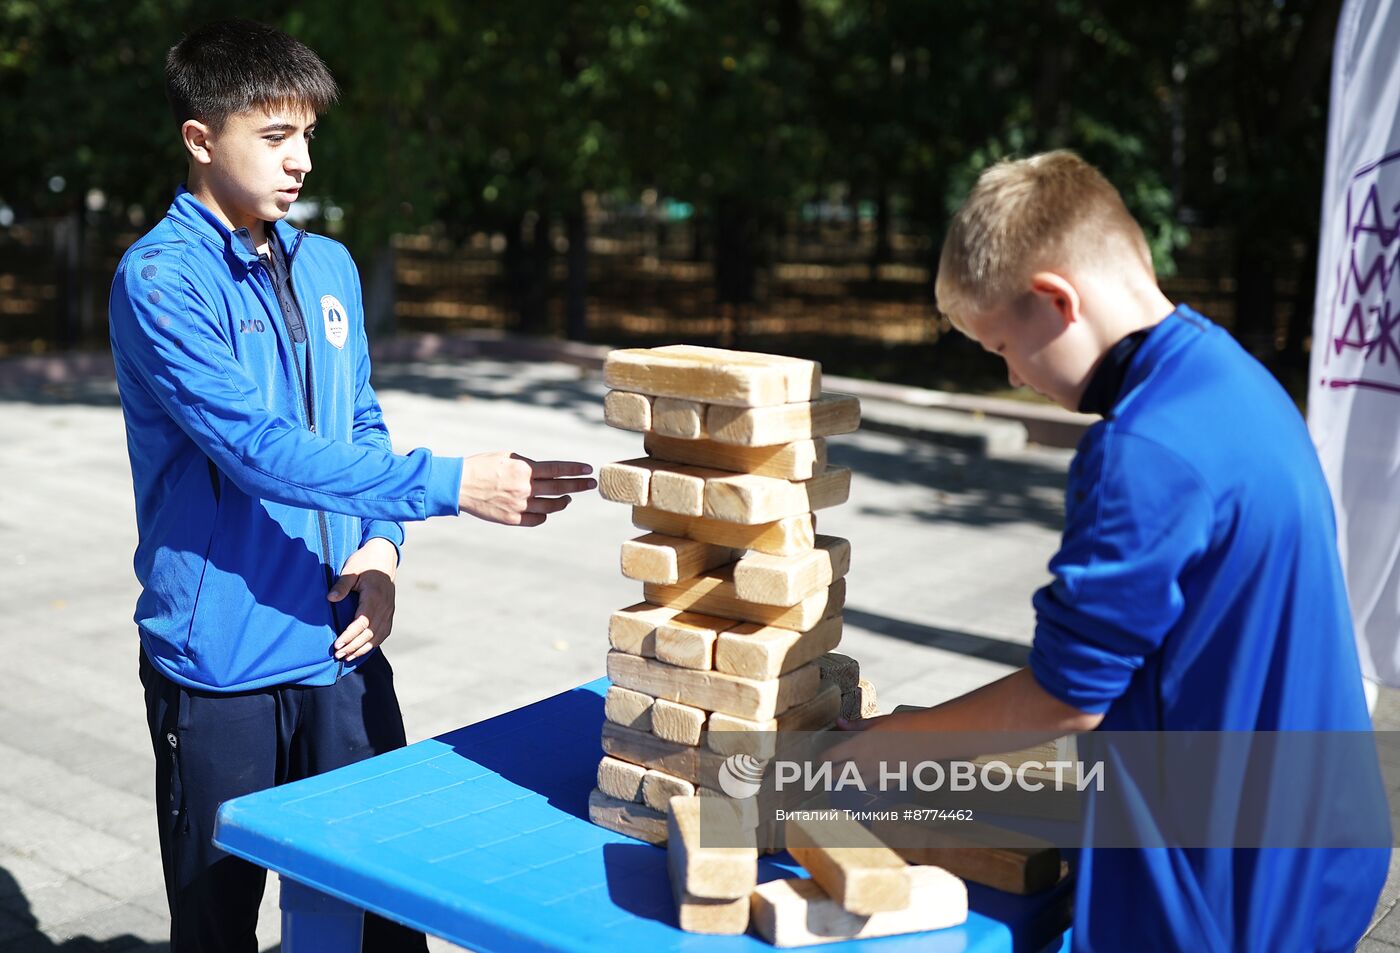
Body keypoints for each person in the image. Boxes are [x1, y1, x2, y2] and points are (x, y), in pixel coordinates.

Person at [107, 19, 595, 953]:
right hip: (223, 667)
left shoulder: (328, 263)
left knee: (385, 914)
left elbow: (358, 422)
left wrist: (382, 547)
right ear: (201, 139)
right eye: (275, 136)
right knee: (218, 923)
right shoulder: (161, 279)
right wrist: (456, 485)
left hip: (343, 644)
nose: (301, 162)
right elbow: (257, 449)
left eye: (309, 137)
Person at [833, 151, 1388, 951]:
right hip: (1322, 842)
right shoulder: (1230, 374)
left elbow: (1069, 696)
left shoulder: (1140, 452)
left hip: (1225, 891)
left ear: (1057, 301)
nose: (1016, 377)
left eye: (1001, 348)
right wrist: (931, 726)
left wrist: (888, 750)